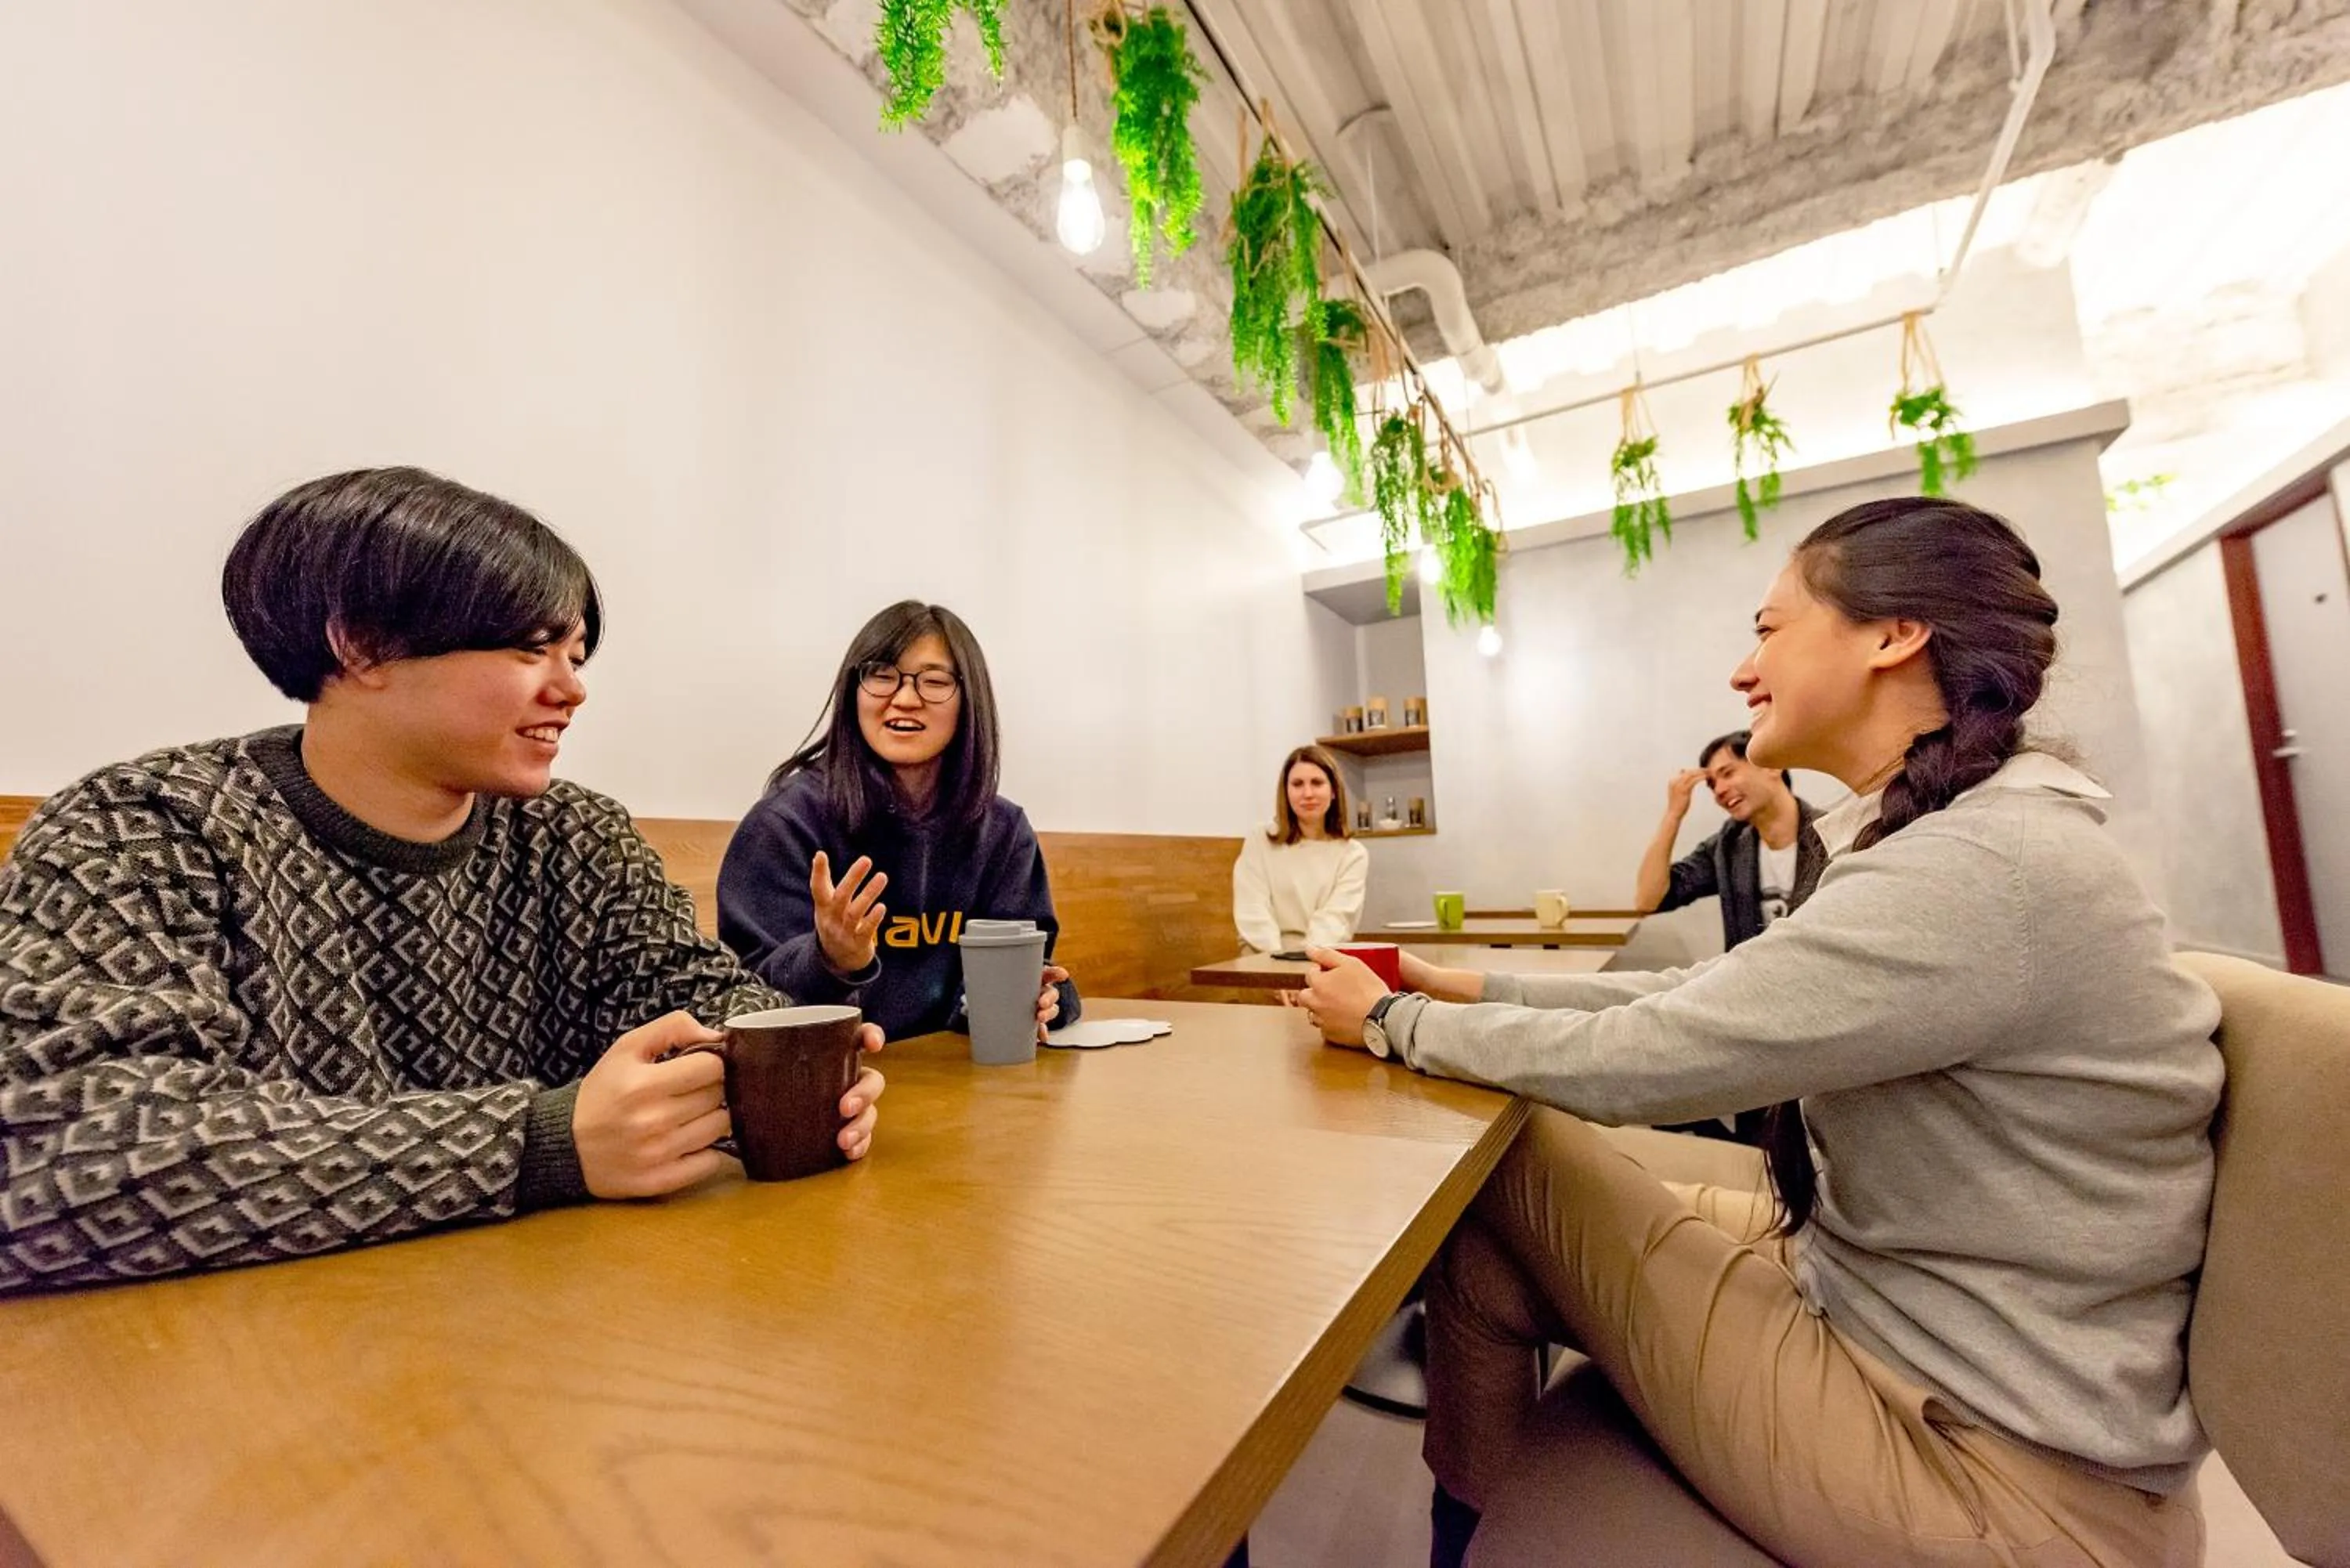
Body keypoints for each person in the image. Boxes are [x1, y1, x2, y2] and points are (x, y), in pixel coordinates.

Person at [1294, 497, 2221, 1567]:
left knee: (1512, 1167)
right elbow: (1703, 1001)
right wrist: (1445, 985)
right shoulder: (1953, 838)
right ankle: (1483, 1533)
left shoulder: (1978, 867)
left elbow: (1651, 1055)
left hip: (1999, 1468)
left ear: (1892, 633)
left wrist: (1392, 1023)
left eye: (1770, 628)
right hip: (1904, 1327)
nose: (1745, 670)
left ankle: (1470, 1536)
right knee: (1490, 1242)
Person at [0, 468, 884, 1297]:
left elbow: (716, 1013)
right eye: (532, 648)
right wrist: (536, 1145)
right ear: (362, 644)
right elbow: (63, 1156)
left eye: (576, 654)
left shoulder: (574, 835)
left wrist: (816, 1070)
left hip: (536, 1329)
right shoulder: (144, 826)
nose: (571, 690)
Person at [719, 602, 1078, 1042]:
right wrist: (830, 957)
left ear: (971, 701)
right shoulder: (786, 824)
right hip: (831, 1083)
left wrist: (1045, 995)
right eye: (882, 675)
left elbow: (1027, 966)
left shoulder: (1002, 832)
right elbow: (740, 997)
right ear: (854, 690)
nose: (905, 699)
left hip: (959, 1083)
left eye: (934, 681)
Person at [1635, 729, 1824, 948]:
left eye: (1727, 773)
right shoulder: (1727, 846)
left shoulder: (1834, 836)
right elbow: (1648, 901)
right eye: (1712, 784)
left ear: (1771, 766)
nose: (1719, 791)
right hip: (1750, 979)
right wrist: (1673, 815)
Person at [1232, 744, 1369, 955]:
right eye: (1297, 784)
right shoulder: (1259, 841)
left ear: (1333, 791)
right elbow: (1253, 910)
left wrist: (1304, 965)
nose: (1308, 793)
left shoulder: (1353, 854)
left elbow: (1337, 919)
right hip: (1262, 956)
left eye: (1317, 783)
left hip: (1323, 956)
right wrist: (1276, 965)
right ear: (1286, 792)